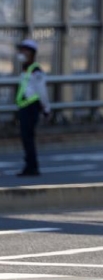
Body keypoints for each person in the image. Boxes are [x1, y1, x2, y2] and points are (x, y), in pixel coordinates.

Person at [15, 39, 50, 177]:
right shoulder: (26, 69)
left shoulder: (36, 70)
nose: (22, 53)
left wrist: (46, 109)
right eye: (21, 50)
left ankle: (32, 167)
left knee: (28, 138)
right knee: (26, 138)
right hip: (25, 108)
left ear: (32, 53)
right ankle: (29, 165)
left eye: (25, 50)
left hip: (31, 108)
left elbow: (42, 92)